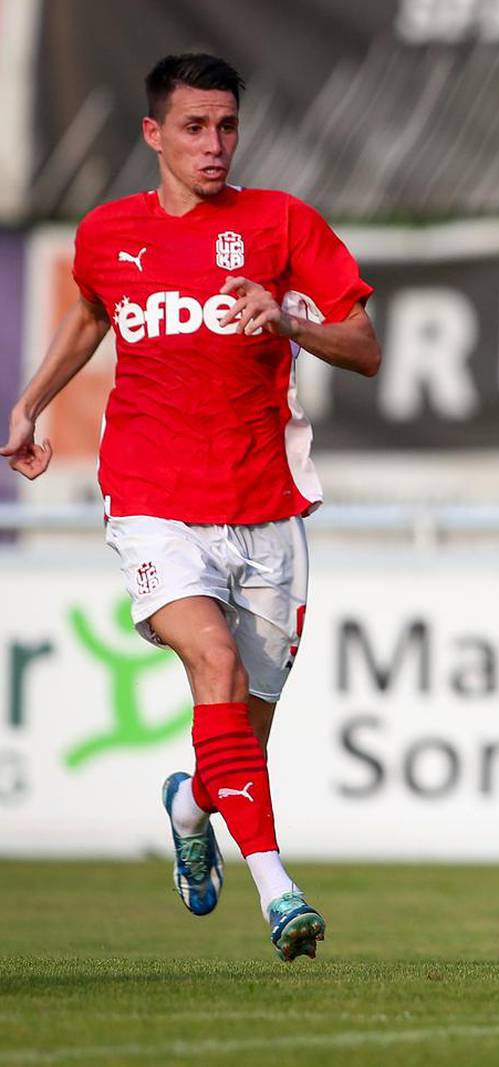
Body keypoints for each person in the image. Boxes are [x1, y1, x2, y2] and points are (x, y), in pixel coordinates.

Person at [2, 53, 380, 961]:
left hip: (266, 508)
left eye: (226, 127)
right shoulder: (107, 233)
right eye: (194, 128)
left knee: (237, 738)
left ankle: (189, 803)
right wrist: (29, 403)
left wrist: (290, 322)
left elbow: (365, 347)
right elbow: (94, 310)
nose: (214, 145)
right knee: (209, 658)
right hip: (152, 504)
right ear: (154, 134)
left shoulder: (282, 223)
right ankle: (281, 893)